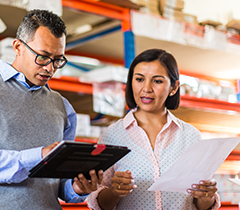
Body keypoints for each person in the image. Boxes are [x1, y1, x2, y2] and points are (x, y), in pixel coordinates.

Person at [0, 9, 103, 210]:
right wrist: (36, 156)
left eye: (58, 60)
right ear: (18, 46)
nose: (50, 68)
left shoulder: (62, 107)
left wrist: (78, 188)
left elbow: (60, 185)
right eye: (43, 57)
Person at [87, 49, 220, 210]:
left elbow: (201, 203)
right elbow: (98, 202)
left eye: (157, 81)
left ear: (174, 87)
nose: (146, 88)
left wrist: (207, 196)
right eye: (139, 79)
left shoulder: (191, 136)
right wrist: (114, 192)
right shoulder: (112, 136)